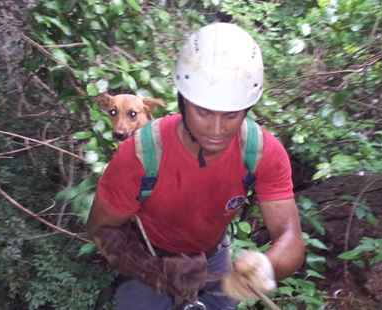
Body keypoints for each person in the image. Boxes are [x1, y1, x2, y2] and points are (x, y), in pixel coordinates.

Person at [86, 22, 305, 310]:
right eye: (203, 112)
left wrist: (265, 268)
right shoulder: (140, 155)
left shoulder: (261, 152)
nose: (216, 129)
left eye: (230, 115)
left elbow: (290, 237)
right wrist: (152, 270)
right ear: (183, 101)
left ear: (247, 109)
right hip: (149, 255)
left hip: (212, 257)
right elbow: (100, 228)